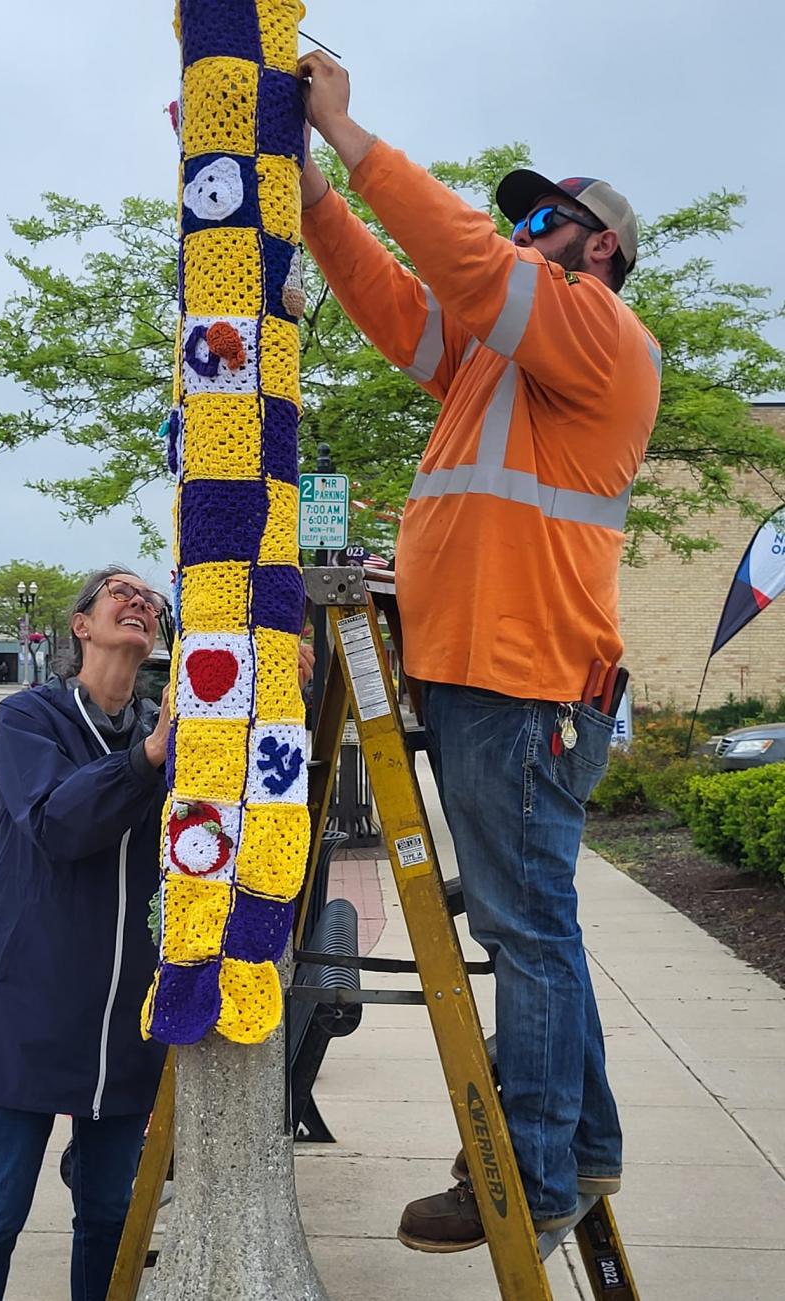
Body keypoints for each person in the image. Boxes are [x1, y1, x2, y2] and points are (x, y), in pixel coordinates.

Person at [298, 52, 660, 1252]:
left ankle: (537, 1170)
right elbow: (404, 304)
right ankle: (583, 1142)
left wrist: (347, 134)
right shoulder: (506, 363)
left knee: (526, 932)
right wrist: (305, 196)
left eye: (546, 221)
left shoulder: (597, 334)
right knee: (534, 926)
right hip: (489, 675)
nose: (524, 234)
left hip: (524, 680)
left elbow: (460, 262)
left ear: (596, 246)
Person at [0, 566, 172, 1301]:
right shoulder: (28, 717)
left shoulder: (161, 729)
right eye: (120, 593)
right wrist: (145, 761)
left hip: (122, 1021)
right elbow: (55, 823)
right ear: (81, 625)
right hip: (24, 1008)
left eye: (151, 600)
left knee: (109, 1217)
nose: (139, 602)